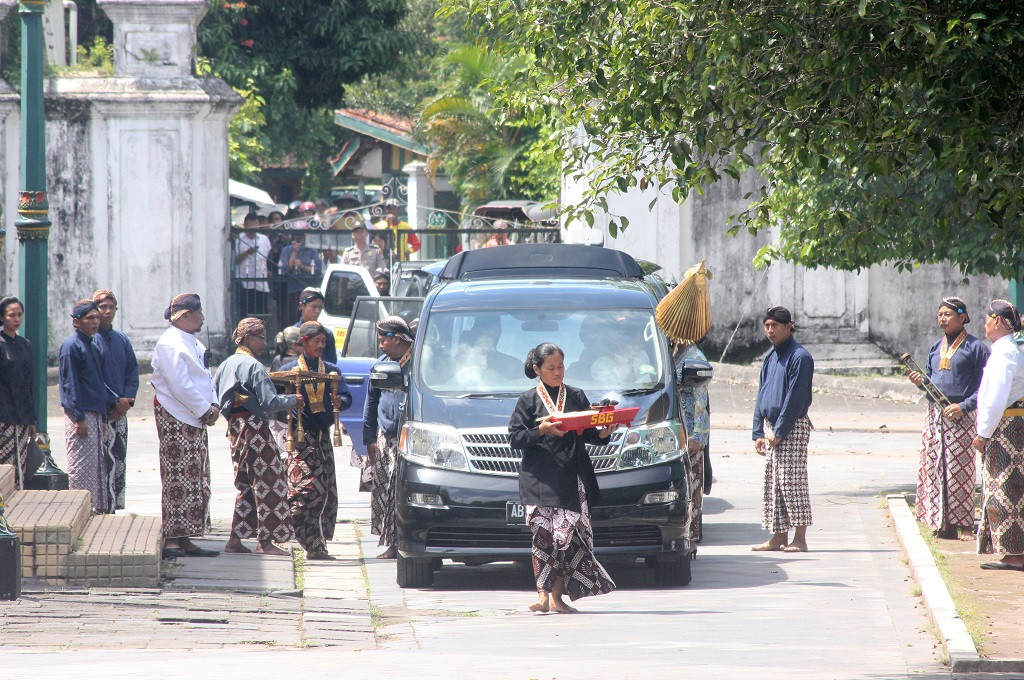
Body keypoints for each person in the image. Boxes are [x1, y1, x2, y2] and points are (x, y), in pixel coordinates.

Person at [508, 342, 618, 612]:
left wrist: (603, 433)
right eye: (551, 368)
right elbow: (515, 438)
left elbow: (589, 433)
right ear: (537, 369)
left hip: (571, 477)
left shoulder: (576, 395)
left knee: (566, 541)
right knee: (542, 537)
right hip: (539, 479)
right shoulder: (528, 400)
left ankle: (558, 599)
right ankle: (542, 596)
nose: (557, 372)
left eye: (560, 366)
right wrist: (541, 430)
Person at [214, 318, 301, 556]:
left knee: (246, 484)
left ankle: (235, 539)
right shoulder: (254, 366)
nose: (264, 342)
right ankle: (266, 541)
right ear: (248, 338)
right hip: (254, 429)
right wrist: (293, 400)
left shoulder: (225, 365)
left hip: (235, 429)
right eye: (261, 338)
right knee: (269, 482)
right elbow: (270, 403)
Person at [905, 297, 989, 539]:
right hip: (936, 415)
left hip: (962, 415)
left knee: (959, 471)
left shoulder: (976, 348)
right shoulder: (935, 347)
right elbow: (931, 382)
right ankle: (941, 522)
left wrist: (963, 406)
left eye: (947, 314)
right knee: (935, 467)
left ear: (962, 317)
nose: (942, 318)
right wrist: (920, 383)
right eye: (940, 314)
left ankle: (965, 525)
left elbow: (986, 387)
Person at [151, 293, 220, 559]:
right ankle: (172, 540)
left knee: (195, 477)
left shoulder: (193, 342)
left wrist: (214, 405)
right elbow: (180, 386)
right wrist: (205, 410)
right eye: (198, 312)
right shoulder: (169, 344)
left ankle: (187, 538)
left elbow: (206, 377)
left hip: (196, 416)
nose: (202, 317)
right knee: (176, 477)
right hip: (176, 415)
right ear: (185, 315)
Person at [280, 322, 351, 560]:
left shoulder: (331, 370)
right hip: (300, 440)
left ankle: (317, 546)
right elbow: (273, 401)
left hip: (322, 438)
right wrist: (290, 403)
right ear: (304, 342)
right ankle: (295, 536)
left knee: (326, 493)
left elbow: (347, 397)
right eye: (316, 341)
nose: (321, 345)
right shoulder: (288, 369)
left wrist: (340, 401)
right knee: (304, 491)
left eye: (323, 341)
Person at [751, 306, 814, 553]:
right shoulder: (770, 356)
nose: (770, 331)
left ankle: (800, 539)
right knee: (773, 484)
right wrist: (757, 432)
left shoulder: (800, 357)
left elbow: (795, 398)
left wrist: (779, 431)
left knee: (792, 482)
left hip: (792, 426)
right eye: (767, 326)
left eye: (775, 326)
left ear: (789, 326)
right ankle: (778, 537)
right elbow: (762, 394)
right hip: (771, 427)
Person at [972, 300, 1024, 570]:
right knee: (1010, 487)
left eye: (987, 319)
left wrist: (983, 433)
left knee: (1004, 488)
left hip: (1005, 427)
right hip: (1011, 425)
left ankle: (1013, 554)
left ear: (998, 322)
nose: (985, 323)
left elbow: (995, 399)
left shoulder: (1004, 354)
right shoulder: (1009, 351)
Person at [59, 300, 119, 514]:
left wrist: (105, 414)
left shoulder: (92, 345)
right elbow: (70, 385)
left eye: (96, 318)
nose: (95, 322)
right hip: (81, 415)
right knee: (81, 466)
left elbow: (98, 382)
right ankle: (79, 512)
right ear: (76, 322)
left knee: (96, 467)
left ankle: (95, 511)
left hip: (95, 413)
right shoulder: (71, 346)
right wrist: (79, 417)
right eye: (89, 318)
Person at [363, 316, 414, 559]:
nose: (381, 345)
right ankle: (390, 543)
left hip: (410, 439)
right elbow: (371, 402)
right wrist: (369, 438)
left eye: (384, 340)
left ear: (398, 339)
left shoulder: (417, 364)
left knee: (400, 492)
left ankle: (403, 543)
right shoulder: (381, 366)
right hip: (385, 438)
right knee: (384, 491)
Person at [92, 290, 139, 511]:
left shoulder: (122, 339)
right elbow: (94, 378)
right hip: (101, 413)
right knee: (101, 463)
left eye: (111, 307)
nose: (107, 311)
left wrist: (126, 401)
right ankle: (101, 508)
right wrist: (113, 401)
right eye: (103, 307)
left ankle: (113, 508)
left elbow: (132, 372)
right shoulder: (91, 341)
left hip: (120, 413)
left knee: (118, 461)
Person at [0, 296, 36, 488]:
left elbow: (29, 382)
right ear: (2, 317)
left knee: (20, 467)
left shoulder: (25, 344)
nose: (16, 319)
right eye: (11, 315)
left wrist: (32, 419)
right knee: (5, 466)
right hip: (3, 415)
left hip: (22, 416)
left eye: (19, 315)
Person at [278, 233, 323, 326]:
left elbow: (317, 270)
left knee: (308, 315)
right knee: (292, 315)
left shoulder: (312, 250)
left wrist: (302, 266)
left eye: (301, 236)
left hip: (307, 287)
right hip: (292, 288)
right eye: (296, 236)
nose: (299, 239)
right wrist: (294, 252)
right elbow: (285, 270)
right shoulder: (286, 250)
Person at [234, 213, 272, 317]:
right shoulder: (239, 239)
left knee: (261, 313)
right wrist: (247, 253)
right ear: (245, 226)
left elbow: (269, 257)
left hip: (260, 280)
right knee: (245, 313)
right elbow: (235, 260)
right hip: (244, 281)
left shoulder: (264, 239)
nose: (253, 230)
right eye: (250, 228)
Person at [294, 288, 337, 364]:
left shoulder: (327, 334)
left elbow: (332, 362)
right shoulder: (294, 332)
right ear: (301, 306)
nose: (317, 311)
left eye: (320, 307)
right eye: (314, 306)